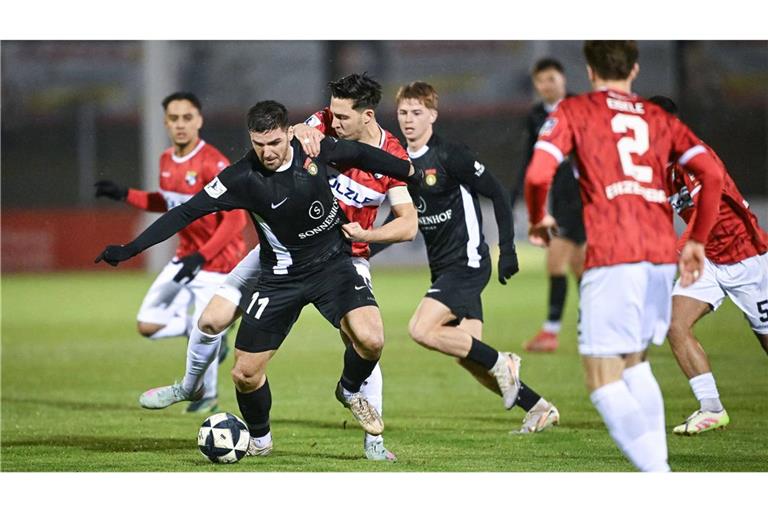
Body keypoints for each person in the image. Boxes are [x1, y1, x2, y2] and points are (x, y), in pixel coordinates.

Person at [96, 100, 416, 459]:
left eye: (274, 143)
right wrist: (131, 248)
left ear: (287, 133)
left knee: (370, 339)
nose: (267, 152)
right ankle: (257, 438)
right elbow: (185, 212)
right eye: (259, 144)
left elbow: (362, 155)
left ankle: (349, 390)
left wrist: (411, 173)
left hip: (333, 264)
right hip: (279, 276)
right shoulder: (241, 178)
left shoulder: (313, 147)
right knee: (244, 373)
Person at [525, 41, 724, 471]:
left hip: (614, 253)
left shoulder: (576, 111)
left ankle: (659, 477)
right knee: (634, 365)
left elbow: (539, 172)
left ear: (590, 71)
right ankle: (659, 469)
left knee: (601, 381)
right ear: (634, 70)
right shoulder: (657, 117)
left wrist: (539, 217)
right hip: (658, 256)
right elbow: (711, 172)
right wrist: (697, 240)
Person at [382, 80, 560, 433]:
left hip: (468, 264)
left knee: (421, 329)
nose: (409, 120)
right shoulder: (400, 165)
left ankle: (505, 360)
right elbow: (400, 220)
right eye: (403, 113)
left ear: (432, 115)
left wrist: (507, 248)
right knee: (470, 355)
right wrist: (364, 247)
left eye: (417, 112)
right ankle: (539, 407)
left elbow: (496, 193)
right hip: (443, 271)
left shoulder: (451, 155)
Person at [94, 91, 247, 414]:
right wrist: (124, 194)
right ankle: (213, 330)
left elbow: (236, 219)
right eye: (174, 119)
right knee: (148, 324)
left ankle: (206, 395)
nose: (180, 125)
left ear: (199, 121)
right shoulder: (166, 160)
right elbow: (169, 203)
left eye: (187, 118)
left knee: (206, 328)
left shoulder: (213, 162)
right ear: (165, 123)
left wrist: (203, 256)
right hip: (186, 256)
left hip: (218, 263)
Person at [649, 95, 768, 435]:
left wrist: (674, 249)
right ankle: (712, 408)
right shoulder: (663, 167)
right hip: (709, 261)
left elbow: (709, 213)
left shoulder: (697, 158)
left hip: (747, 258)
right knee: (675, 324)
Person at [515, 58, 586, 353]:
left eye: (551, 79)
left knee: (557, 261)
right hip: (560, 194)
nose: (547, 85)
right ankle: (589, 326)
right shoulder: (534, 116)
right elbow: (532, 159)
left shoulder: (580, 107)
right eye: (541, 81)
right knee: (581, 267)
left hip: (582, 194)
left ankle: (552, 331)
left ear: (563, 80)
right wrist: (517, 191)